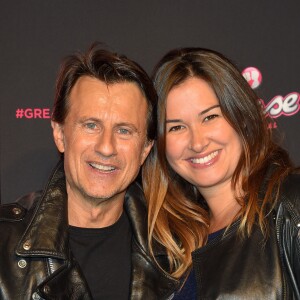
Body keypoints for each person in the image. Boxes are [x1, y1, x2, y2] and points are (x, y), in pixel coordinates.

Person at [0, 44, 178, 300]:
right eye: (91, 125)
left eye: (124, 130)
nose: (106, 147)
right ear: (60, 134)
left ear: (145, 149)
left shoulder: (176, 252)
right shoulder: (4, 242)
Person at [143, 47, 300, 299]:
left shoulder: (291, 205)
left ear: (242, 116)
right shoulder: (170, 245)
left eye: (209, 117)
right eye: (176, 127)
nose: (197, 142)